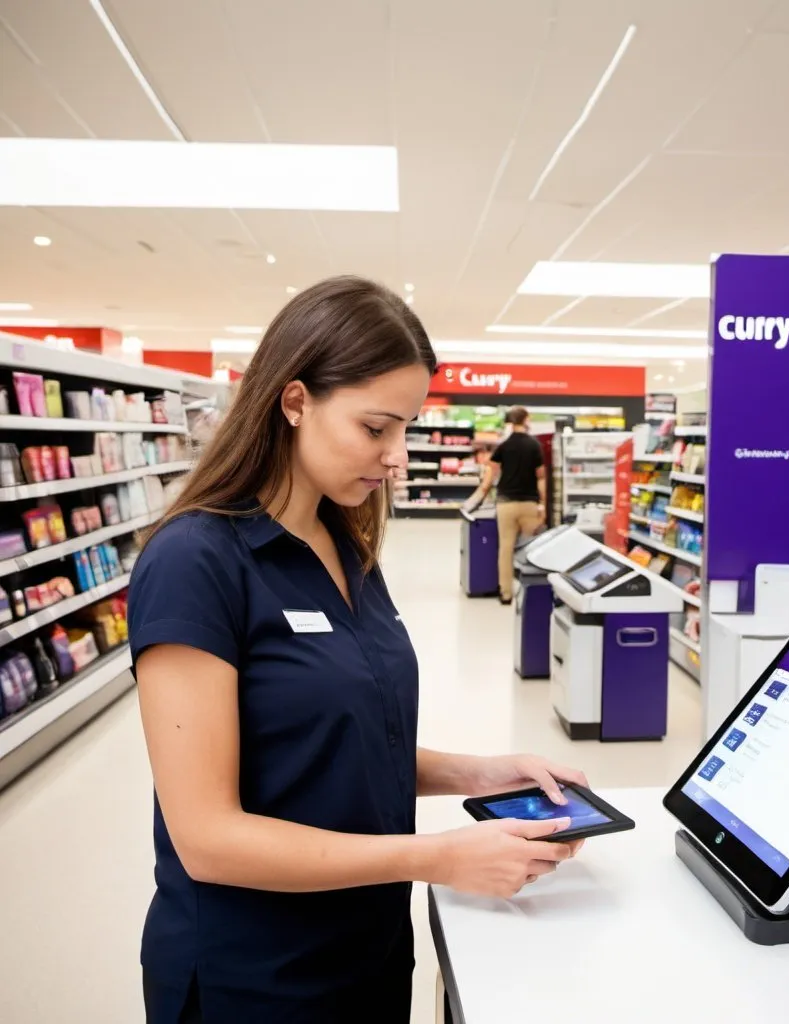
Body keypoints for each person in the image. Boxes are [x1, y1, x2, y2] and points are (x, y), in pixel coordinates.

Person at [128, 277, 587, 1024]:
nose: (398, 455)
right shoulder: (196, 562)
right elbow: (207, 838)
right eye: (377, 428)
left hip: (365, 950)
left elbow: (336, 748)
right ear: (295, 401)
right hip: (255, 977)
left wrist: (484, 772)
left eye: (407, 427)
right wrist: (436, 856)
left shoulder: (345, 546)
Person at [480, 406, 546, 604]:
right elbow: (541, 477)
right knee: (532, 549)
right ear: (525, 419)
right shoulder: (534, 445)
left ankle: (506, 593)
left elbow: (491, 473)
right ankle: (529, 593)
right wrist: (543, 503)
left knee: (506, 549)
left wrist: (482, 494)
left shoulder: (504, 445)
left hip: (506, 504)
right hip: (529, 504)